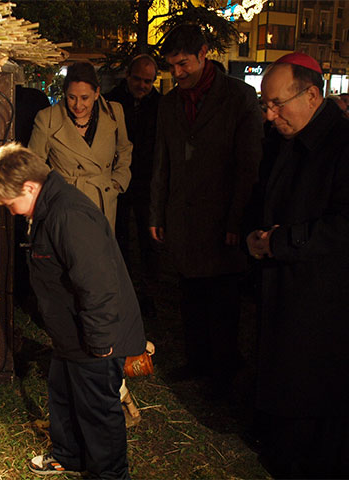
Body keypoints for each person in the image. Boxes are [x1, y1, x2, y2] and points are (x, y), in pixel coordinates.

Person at [0, 143, 146, 479]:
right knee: (64, 395)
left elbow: (98, 284)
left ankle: (111, 475)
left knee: (98, 412)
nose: (11, 211)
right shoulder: (45, 210)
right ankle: (70, 456)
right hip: (70, 334)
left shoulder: (69, 215)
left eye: (10, 203)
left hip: (96, 338)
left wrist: (101, 346)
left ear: (29, 186)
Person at [246, 52, 349, 478]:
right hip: (287, 286)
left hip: (328, 301)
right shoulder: (286, 141)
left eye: (277, 103)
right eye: (265, 104)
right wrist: (256, 233)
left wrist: (281, 241)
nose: (270, 114)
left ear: (313, 94)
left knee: (318, 398)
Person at [149, 24, 263, 391]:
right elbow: (161, 161)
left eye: (183, 65)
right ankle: (198, 361)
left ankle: (223, 368)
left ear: (203, 55)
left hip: (221, 218)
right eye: (172, 67)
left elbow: (248, 164)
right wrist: (157, 213)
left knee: (223, 299)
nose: (177, 74)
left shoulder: (239, 97)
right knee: (190, 294)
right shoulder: (169, 103)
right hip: (183, 216)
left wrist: (236, 218)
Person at [28, 61, 133, 230]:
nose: (78, 105)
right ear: (64, 93)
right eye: (71, 97)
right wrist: (54, 194)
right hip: (65, 206)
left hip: (103, 202)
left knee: (99, 254)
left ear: (97, 93)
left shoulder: (114, 113)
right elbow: (33, 165)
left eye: (85, 98)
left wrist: (118, 182)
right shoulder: (47, 119)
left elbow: (124, 149)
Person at [104, 54, 160, 315]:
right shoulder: (112, 101)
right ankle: (123, 291)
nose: (142, 85)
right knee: (119, 237)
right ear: (128, 75)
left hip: (147, 181)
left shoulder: (160, 104)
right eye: (137, 79)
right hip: (119, 178)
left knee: (148, 241)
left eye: (147, 81)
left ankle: (148, 293)